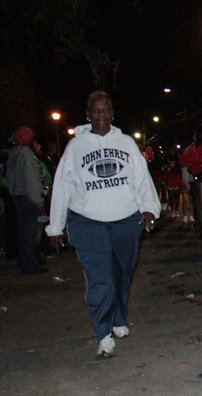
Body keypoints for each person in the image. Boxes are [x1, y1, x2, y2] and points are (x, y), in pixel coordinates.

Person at [46, 91, 160, 360]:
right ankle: (103, 335)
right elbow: (62, 187)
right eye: (95, 111)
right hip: (87, 221)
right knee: (101, 278)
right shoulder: (75, 147)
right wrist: (55, 226)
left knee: (121, 273)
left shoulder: (126, 143)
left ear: (112, 113)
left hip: (124, 219)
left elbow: (141, 178)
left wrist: (148, 207)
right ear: (88, 114)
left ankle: (118, 316)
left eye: (105, 110)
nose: (101, 115)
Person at [6, 126, 46, 274]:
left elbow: (10, 178)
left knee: (22, 233)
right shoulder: (27, 156)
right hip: (28, 198)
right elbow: (32, 181)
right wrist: (39, 201)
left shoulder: (13, 155)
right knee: (29, 233)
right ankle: (30, 265)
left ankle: (25, 261)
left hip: (18, 196)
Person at [179, 128, 202, 233]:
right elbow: (184, 165)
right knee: (198, 202)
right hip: (194, 179)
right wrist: (186, 182)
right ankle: (199, 223)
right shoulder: (191, 149)